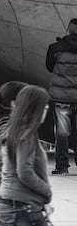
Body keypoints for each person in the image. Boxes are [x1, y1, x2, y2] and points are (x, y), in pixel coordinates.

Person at [0, 84, 57, 226]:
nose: (47, 109)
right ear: (34, 108)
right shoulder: (26, 133)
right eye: (44, 106)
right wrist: (46, 191)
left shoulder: (12, 131)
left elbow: (1, 166)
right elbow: (24, 171)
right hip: (24, 208)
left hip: (8, 205)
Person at [0, 81, 27, 217]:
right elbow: (7, 141)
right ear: (14, 104)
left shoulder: (5, 125)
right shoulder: (5, 127)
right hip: (11, 199)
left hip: (7, 196)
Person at [46, 18, 77, 175]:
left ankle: (62, 167)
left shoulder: (55, 48)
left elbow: (49, 67)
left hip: (62, 99)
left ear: (68, 30)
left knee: (62, 133)